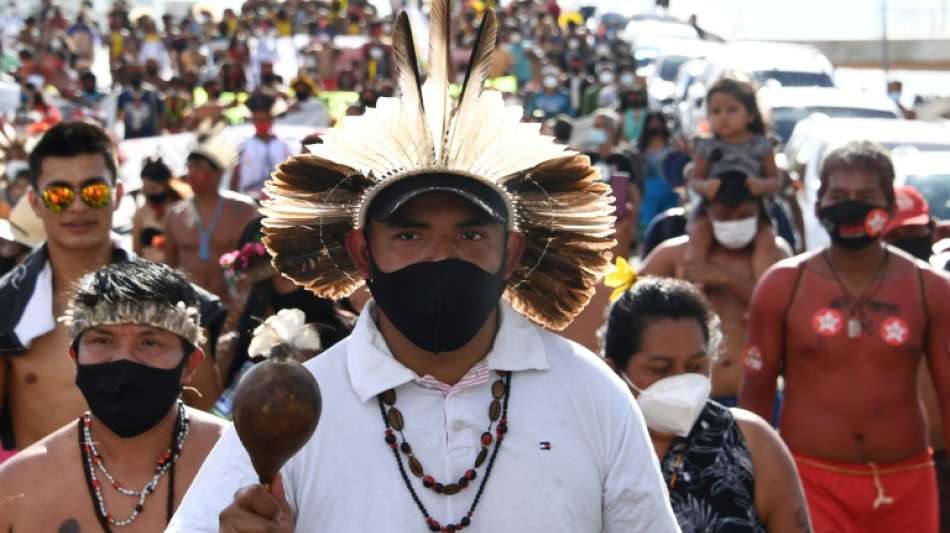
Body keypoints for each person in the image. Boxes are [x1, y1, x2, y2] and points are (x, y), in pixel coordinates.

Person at [168, 4, 678, 531]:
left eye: (471, 234)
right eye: (409, 234)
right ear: (364, 252)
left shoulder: (592, 395)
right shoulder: (294, 408)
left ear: (513, 253)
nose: (441, 256)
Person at [739, 141, 950, 533]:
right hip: (809, 483)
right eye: (839, 196)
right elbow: (755, 400)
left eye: (865, 196)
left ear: (889, 205)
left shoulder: (930, 290)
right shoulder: (784, 285)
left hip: (907, 484)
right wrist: (748, 486)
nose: (850, 206)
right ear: (818, 205)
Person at [0, 122, 225, 463]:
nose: (77, 206)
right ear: (34, 201)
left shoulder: (181, 305)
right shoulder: (7, 310)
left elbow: (206, 420)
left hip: (157, 509)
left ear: (117, 195)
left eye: (93, 192)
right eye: (59, 195)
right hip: (42, 509)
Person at [0, 260, 226, 532]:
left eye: (149, 342)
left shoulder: (237, 462)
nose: (124, 359)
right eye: (103, 340)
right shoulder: (17, 486)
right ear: (75, 357)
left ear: (190, 364)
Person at [601, 276, 811, 532]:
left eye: (695, 367)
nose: (681, 381)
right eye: (660, 368)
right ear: (613, 371)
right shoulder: (595, 449)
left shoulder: (749, 442)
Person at [640, 177, 790, 405]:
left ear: (760, 212)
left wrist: (724, 278)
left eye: (743, 215)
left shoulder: (775, 253)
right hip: (691, 399)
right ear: (707, 212)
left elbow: (783, 311)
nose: (734, 223)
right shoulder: (674, 253)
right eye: (724, 216)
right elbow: (630, 304)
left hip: (756, 396)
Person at [211, 217, 355, 419]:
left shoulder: (348, 338)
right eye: (283, 274)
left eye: (298, 273)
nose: (302, 283)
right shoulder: (236, 342)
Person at [880, 185, 949, 532]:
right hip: (886, 468)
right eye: (898, 234)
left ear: (932, 230)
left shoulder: (943, 290)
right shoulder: (854, 302)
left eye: (915, 231)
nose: (909, 241)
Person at [685, 78, 782, 281]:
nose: (724, 117)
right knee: (698, 232)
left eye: (732, 110)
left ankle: (760, 288)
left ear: (751, 114)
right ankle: (696, 280)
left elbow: (776, 181)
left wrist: (761, 186)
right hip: (714, 209)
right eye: (716, 111)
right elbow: (695, 180)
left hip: (752, 210)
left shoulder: (761, 146)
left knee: (766, 238)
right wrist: (706, 187)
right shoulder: (707, 147)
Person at [163, 131, 258, 307]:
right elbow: (170, 266)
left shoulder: (243, 210)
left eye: (199, 167)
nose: (192, 173)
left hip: (232, 304)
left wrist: (244, 302)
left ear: (219, 173)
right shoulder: (174, 215)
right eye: (189, 167)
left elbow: (258, 261)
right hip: (190, 307)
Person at [230, 91, 292, 198]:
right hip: (249, 197)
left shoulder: (283, 145)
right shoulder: (243, 146)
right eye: (258, 120)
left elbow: (291, 173)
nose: (261, 123)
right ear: (253, 121)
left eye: (265, 120)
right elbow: (235, 175)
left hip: (278, 198)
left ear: (271, 120)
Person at [132, 156, 190, 263]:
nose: (149, 193)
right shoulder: (141, 213)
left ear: (166, 185)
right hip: (150, 270)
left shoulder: (181, 209)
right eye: (146, 188)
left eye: (153, 188)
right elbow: (136, 251)